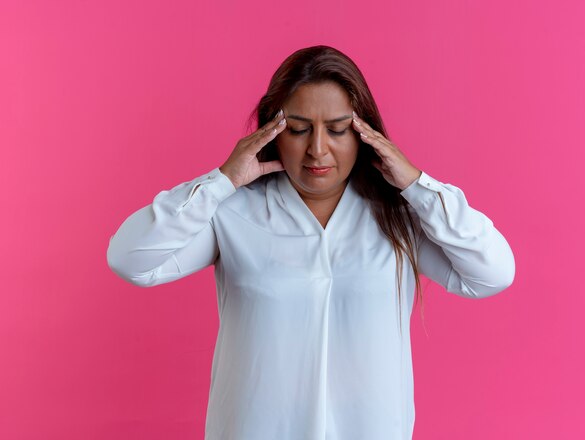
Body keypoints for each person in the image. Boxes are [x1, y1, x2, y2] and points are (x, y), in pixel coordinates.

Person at [107, 45, 515, 440]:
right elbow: (130, 258)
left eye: (337, 130)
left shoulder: (401, 216)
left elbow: (492, 273)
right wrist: (221, 182)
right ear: (273, 132)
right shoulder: (233, 213)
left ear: (364, 133)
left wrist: (415, 184)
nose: (317, 149)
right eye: (299, 129)